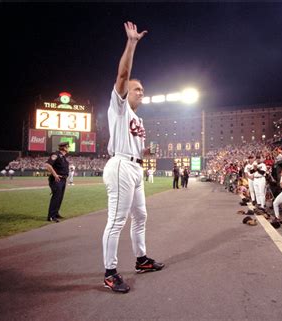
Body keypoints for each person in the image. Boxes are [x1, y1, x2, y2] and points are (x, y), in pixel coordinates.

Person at [102, 21, 164, 294]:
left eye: (141, 90)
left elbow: (137, 147)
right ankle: (110, 272)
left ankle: (141, 260)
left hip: (135, 167)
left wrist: (147, 153)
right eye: (137, 89)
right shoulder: (119, 108)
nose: (141, 92)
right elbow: (123, 72)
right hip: (120, 166)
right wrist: (132, 43)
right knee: (117, 221)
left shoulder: (137, 118)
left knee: (141, 216)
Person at [45, 141, 70, 223]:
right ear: (64, 148)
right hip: (57, 180)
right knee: (56, 197)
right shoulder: (56, 154)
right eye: (68, 147)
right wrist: (55, 175)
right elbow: (47, 165)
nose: (69, 148)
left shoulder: (63, 157)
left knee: (59, 198)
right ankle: (51, 216)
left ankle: (55, 213)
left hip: (63, 179)